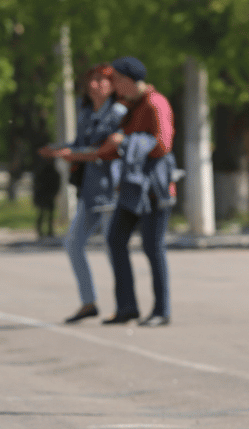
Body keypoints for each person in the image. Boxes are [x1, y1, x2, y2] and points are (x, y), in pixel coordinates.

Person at [38, 63, 129, 323]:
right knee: (73, 244)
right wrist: (59, 150)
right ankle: (88, 302)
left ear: (113, 86)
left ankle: (125, 305)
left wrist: (74, 154)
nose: (94, 85)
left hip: (111, 190)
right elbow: (80, 146)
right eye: (91, 80)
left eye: (101, 80)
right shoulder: (86, 112)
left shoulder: (119, 113)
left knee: (114, 249)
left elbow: (109, 151)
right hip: (89, 192)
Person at [99, 56, 176, 327]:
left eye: (116, 80)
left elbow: (163, 145)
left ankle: (161, 310)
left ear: (129, 81)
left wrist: (127, 140)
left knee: (152, 247)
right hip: (133, 189)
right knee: (115, 239)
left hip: (154, 188)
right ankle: (127, 307)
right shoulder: (129, 105)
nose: (114, 86)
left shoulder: (156, 103)